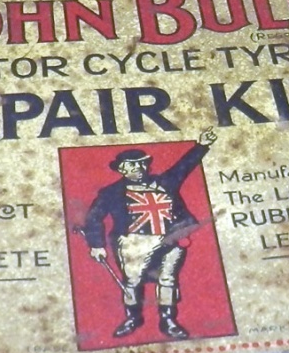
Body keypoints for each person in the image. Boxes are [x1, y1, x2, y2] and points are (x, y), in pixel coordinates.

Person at [82, 128, 217, 339]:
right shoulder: (111, 192)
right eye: (133, 165)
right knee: (133, 281)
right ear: (122, 169)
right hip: (133, 242)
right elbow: (93, 217)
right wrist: (96, 245)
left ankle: (168, 320)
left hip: (170, 238)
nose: (140, 167)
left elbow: (184, 166)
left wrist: (202, 145)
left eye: (143, 163)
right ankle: (133, 318)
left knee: (168, 279)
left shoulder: (165, 182)